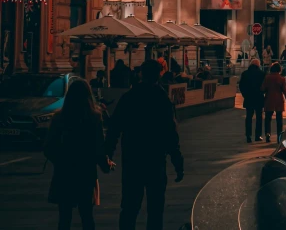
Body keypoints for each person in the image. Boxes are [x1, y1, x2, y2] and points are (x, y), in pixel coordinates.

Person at [105, 59, 184, 230]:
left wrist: (108, 153)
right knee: (155, 209)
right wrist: (177, 161)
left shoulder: (129, 97)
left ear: (141, 74)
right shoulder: (162, 98)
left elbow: (114, 127)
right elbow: (171, 133)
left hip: (132, 158)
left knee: (129, 207)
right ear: (158, 75)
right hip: (155, 159)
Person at [44, 79, 113, 230]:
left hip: (64, 172)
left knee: (64, 217)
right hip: (85, 172)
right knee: (87, 215)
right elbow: (98, 148)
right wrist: (105, 165)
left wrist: (61, 161)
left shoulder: (59, 118)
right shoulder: (94, 118)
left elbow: (49, 147)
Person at [262, 62, 286, 143]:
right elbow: (285, 91)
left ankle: (268, 133)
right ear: (279, 69)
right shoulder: (281, 79)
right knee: (279, 119)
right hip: (278, 100)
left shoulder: (267, 77)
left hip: (269, 99)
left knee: (268, 118)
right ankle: (279, 135)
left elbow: (263, 89)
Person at [239, 58, 265, 143]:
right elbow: (264, 87)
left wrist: (244, 95)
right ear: (258, 65)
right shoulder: (262, 74)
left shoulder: (245, 74)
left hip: (249, 98)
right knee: (259, 118)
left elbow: (241, 86)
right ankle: (258, 135)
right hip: (259, 98)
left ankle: (248, 136)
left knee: (249, 117)